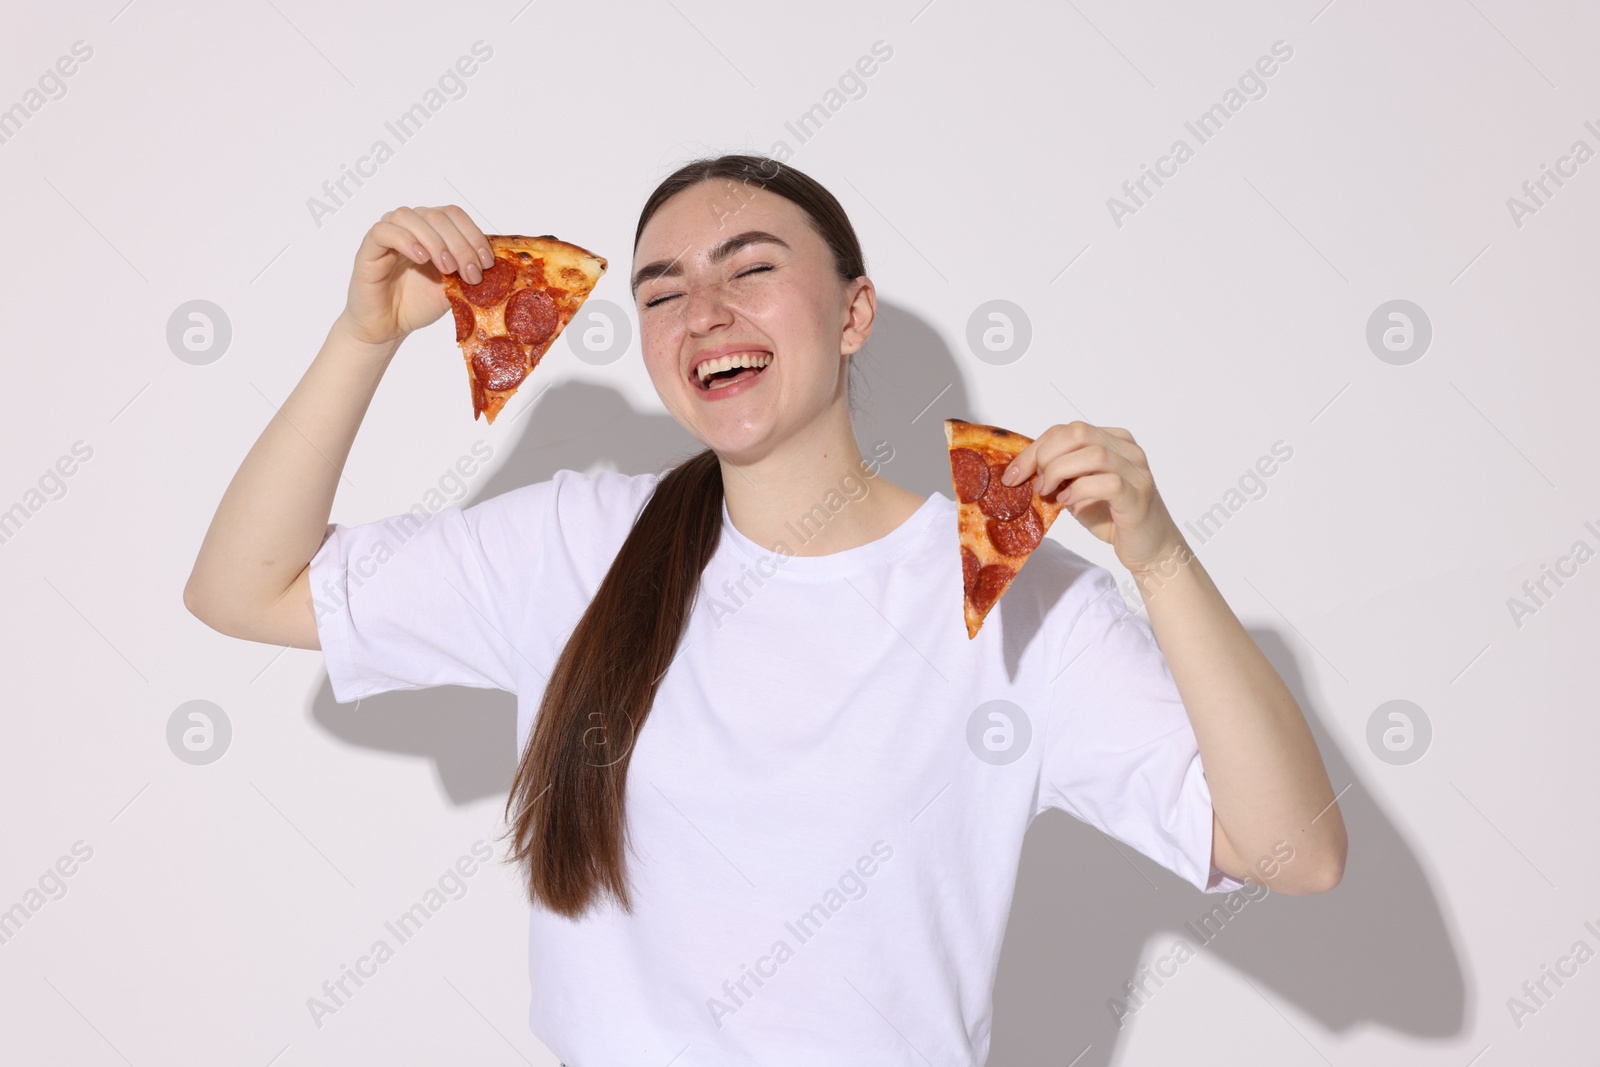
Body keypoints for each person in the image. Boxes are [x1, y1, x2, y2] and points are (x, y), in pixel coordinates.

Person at [184, 153, 1346, 1064]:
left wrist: (1159, 556)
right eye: (662, 292)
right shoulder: (574, 542)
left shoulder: (1006, 588)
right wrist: (363, 337)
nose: (703, 314)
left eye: (748, 270)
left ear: (853, 314)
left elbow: (1293, 851)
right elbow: (243, 587)